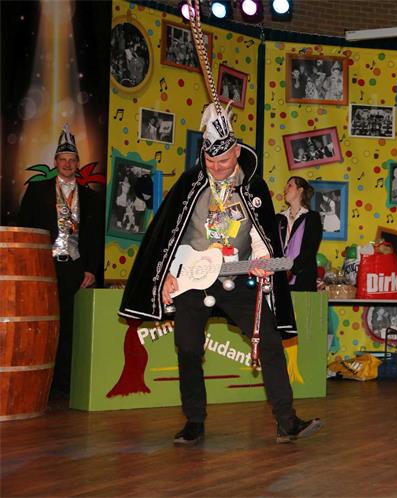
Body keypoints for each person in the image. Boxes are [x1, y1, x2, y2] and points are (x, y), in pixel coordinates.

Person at [119, 102, 321, 445]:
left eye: (223, 161)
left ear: (237, 152)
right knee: (187, 348)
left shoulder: (254, 189)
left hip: (237, 278)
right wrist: (167, 273)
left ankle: (287, 421)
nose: (216, 167)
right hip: (191, 279)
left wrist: (261, 259)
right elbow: (169, 234)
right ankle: (194, 421)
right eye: (210, 161)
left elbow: (260, 234)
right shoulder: (189, 185)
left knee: (270, 342)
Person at [17, 124, 103, 397]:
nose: (67, 164)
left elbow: (95, 237)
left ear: (77, 164)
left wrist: (91, 269)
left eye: (72, 160)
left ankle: (64, 385)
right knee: (42, 323)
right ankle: (40, 381)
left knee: (70, 325)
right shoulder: (37, 191)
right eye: (63, 159)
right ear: (55, 162)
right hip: (45, 266)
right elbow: (24, 228)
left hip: (75, 268)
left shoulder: (90, 197)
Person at [277, 176, 322, 292]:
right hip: (279, 276)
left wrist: (291, 268)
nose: (285, 189)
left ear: (300, 190)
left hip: (303, 278)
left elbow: (310, 249)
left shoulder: (312, 217)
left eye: (290, 185)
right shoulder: (279, 218)